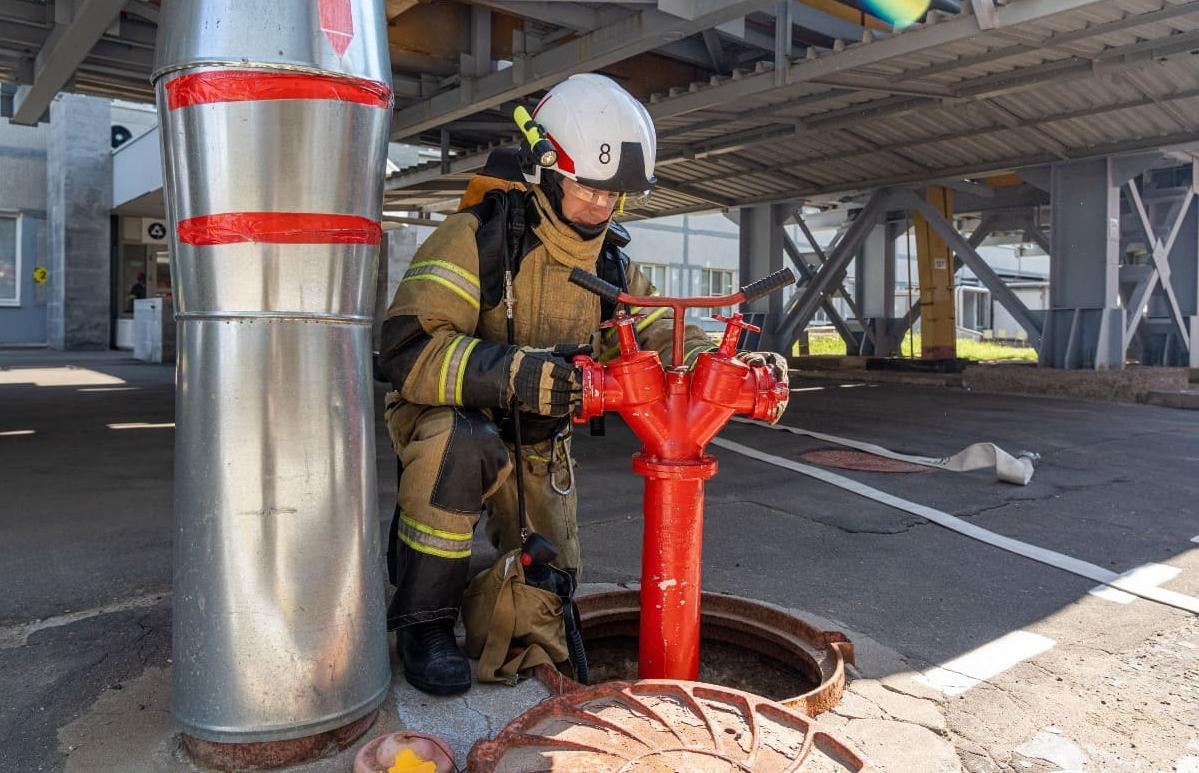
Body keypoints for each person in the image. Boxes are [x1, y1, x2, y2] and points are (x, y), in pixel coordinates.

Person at [375, 73, 789, 695]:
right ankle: (424, 623)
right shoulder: (476, 238)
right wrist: (515, 375)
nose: (601, 206)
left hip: (539, 438)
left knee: (550, 591)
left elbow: (654, 329)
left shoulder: (611, 263)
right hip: (452, 418)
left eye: (614, 193)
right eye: (589, 187)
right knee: (460, 446)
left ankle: (491, 608)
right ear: (546, 169)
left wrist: (721, 364)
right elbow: (409, 350)